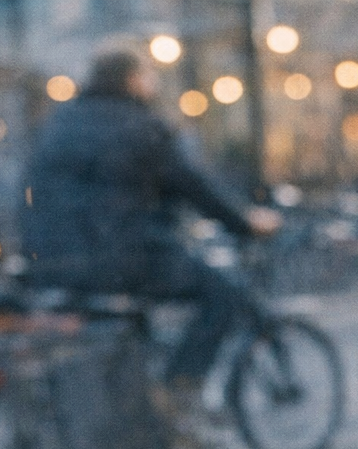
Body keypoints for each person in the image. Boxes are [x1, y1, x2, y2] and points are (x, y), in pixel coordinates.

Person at [20, 44, 280, 408]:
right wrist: (246, 224)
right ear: (132, 79)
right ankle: (178, 389)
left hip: (49, 262)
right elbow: (194, 187)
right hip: (117, 259)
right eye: (148, 75)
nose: (153, 83)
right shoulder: (140, 125)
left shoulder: (58, 122)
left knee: (134, 318)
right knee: (223, 294)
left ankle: (142, 404)